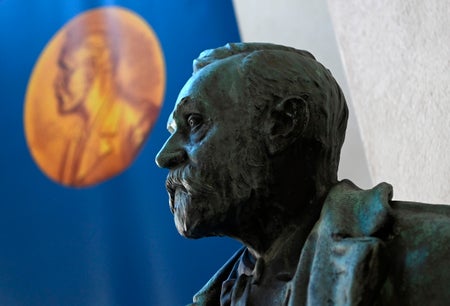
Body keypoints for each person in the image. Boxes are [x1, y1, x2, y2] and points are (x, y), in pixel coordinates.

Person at [155, 43, 450, 305]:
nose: (164, 157)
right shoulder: (219, 296)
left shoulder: (434, 254)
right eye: (172, 132)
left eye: (194, 122)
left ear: (284, 123)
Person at [54, 27, 151, 186]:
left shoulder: (136, 123)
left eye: (66, 69)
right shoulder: (77, 136)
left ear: (94, 70)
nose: (57, 83)